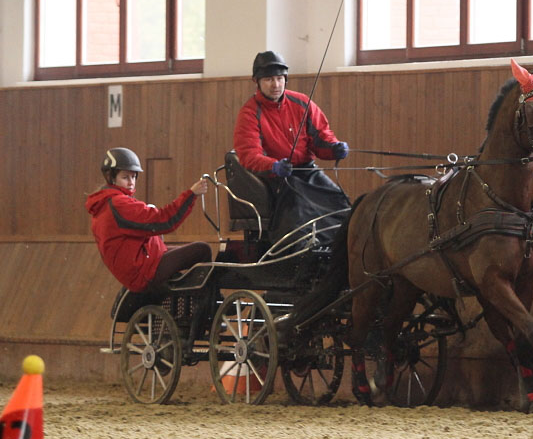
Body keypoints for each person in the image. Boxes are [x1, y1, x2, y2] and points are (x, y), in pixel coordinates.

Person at [232, 50, 350, 246]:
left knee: (340, 203)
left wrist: (334, 148)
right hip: (275, 178)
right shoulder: (250, 113)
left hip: (307, 171)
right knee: (300, 209)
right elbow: (249, 155)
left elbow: (321, 138)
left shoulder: (302, 102)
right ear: (257, 82)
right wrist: (274, 166)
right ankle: (303, 253)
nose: (275, 84)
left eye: (280, 78)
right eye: (269, 79)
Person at [86, 147, 212, 293]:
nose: (131, 182)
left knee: (183, 252)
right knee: (202, 250)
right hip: (142, 271)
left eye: (133, 177)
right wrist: (191, 195)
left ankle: (192, 295)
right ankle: (205, 300)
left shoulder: (104, 203)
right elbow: (164, 220)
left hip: (143, 261)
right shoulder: (119, 204)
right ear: (112, 178)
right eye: (125, 177)